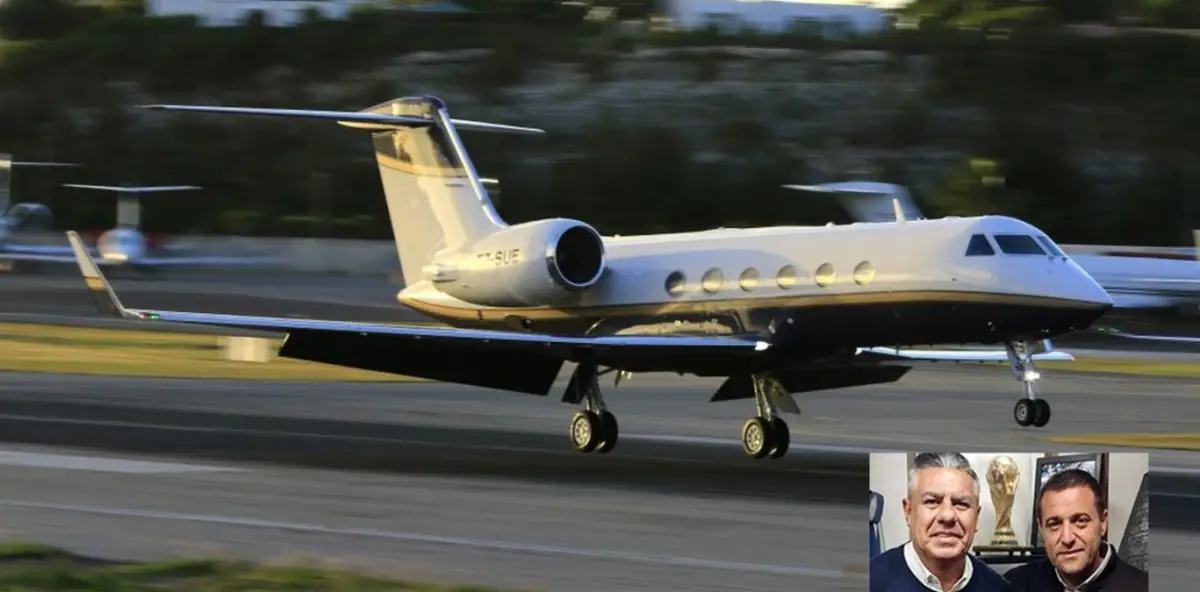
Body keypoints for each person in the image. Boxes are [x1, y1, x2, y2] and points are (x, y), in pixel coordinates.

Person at [871, 452, 1011, 592]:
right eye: (932, 501)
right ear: (908, 511)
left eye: (961, 504)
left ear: (977, 517)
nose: (947, 515)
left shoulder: (999, 588)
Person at [1005, 468, 1149, 591]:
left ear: (1103, 523)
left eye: (1080, 521)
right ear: (1042, 530)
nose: (1067, 539)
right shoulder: (1014, 585)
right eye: (1054, 524)